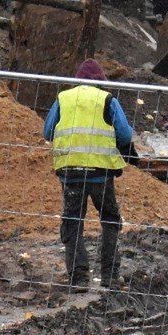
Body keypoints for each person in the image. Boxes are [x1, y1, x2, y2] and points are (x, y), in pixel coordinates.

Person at [43, 59, 136, 289]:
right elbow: (125, 135)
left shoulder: (63, 98)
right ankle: (109, 276)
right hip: (100, 173)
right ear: (100, 81)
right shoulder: (107, 99)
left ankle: (78, 277)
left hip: (70, 172)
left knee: (73, 221)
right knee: (110, 220)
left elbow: (48, 132)